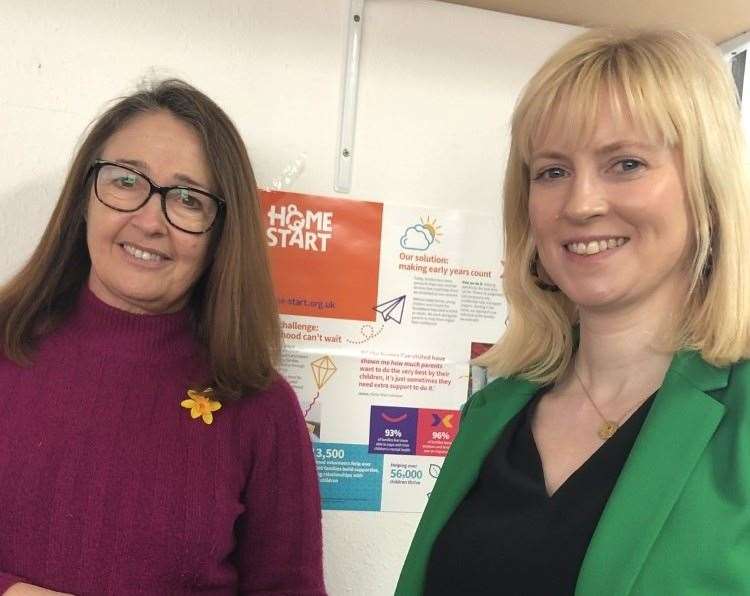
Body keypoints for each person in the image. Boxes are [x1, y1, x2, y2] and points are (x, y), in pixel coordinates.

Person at [397, 28, 750, 595]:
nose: (581, 204)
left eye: (626, 163)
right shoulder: (494, 409)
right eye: (553, 171)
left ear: (706, 187)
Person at [0, 80, 325, 595]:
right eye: (127, 181)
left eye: (188, 199)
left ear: (222, 232)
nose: (151, 220)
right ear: (85, 197)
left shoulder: (260, 409)